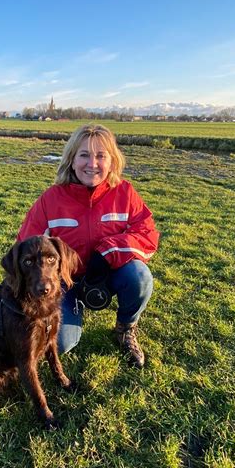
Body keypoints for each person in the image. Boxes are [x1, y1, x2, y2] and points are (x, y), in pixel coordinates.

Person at [17, 123, 159, 368]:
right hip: (63, 283)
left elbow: (147, 234)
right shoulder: (51, 199)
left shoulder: (125, 193)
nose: (92, 163)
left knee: (140, 275)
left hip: (108, 274)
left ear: (112, 161)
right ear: (71, 160)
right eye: (84, 155)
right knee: (61, 344)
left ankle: (125, 328)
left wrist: (107, 253)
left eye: (101, 156)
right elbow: (25, 247)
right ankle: (71, 306)